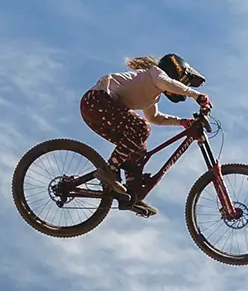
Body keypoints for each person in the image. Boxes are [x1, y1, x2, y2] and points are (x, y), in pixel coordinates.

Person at [80, 53, 207, 216]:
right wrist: (196, 96)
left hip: (98, 111)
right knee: (141, 128)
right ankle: (109, 170)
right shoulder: (155, 73)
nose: (184, 86)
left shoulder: (152, 95)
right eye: (184, 80)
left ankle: (130, 195)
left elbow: (155, 118)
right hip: (96, 101)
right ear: (175, 71)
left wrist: (182, 122)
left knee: (139, 148)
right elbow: (167, 83)